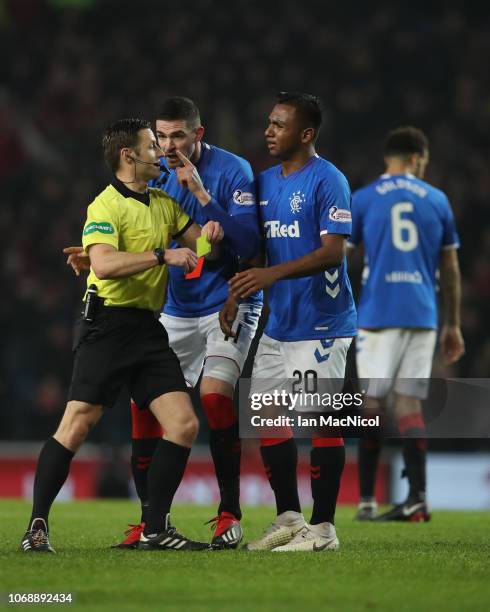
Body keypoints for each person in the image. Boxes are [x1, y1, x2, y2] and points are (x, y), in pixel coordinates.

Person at [22, 118, 224, 553]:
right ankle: (36, 527)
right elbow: (105, 265)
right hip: (108, 327)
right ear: (128, 156)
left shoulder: (164, 202)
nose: (161, 152)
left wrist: (208, 228)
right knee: (77, 426)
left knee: (184, 424)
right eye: (152, 145)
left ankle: (155, 528)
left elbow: (202, 250)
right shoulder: (105, 206)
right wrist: (160, 255)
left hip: (148, 330)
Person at [66, 98, 262, 548]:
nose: (168, 147)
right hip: (173, 309)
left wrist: (201, 194)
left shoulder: (232, 171)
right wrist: (94, 257)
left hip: (225, 303)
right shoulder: (152, 177)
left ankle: (229, 512)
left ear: (199, 134)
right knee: (145, 411)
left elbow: (249, 246)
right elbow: (132, 235)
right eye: (161, 137)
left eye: (178, 136)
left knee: (215, 400)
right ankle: (151, 521)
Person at [223, 92, 357, 552]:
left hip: (322, 322)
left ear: (306, 134)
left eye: (279, 125)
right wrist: (237, 291)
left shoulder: (328, 180)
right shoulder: (263, 182)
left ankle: (324, 530)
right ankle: (290, 520)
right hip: (279, 323)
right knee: (267, 417)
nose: (268, 131)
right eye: (268, 122)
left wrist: (268, 275)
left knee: (321, 420)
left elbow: (333, 251)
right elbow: (258, 248)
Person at [349, 126, 464, 521]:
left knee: (372, 402)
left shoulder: (363, 199)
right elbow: (449, 266)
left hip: (379, 313)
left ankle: (365, 499)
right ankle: (418, 497)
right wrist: (453, 324)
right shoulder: (437, 200)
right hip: (423, 313)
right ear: (416, 159)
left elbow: (341, 257)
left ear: (390, 158)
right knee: (410, 404)